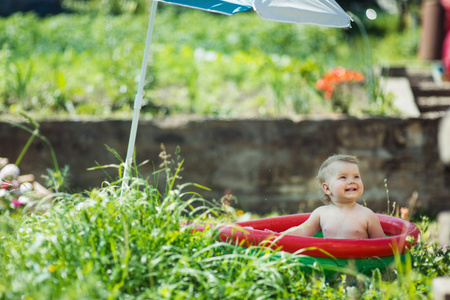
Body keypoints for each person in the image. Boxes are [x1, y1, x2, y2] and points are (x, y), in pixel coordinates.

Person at [283, 154, 386, 239]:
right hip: (329, 262)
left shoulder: (367, 215)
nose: (352, 181)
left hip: (358, 262)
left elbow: (383, 244)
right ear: (327, 188)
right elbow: (302, 231)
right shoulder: (321, 213)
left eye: (356, 176)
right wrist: (278, 236)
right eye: (343, 177)